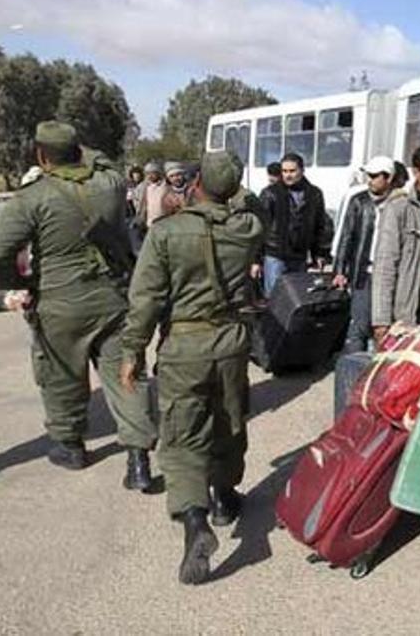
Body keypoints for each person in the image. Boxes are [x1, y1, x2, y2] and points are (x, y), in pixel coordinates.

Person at [0, 121, 158, 485]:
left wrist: (21, 283)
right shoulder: (110, 183)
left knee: (61, 375)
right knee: (126, 373)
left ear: (41, 155)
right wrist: (78, 150)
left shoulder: (33, 197)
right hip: (112, 296)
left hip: (59, 302)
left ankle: (71, 446)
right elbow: (104, 160)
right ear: (79, 151)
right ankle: (138, 458)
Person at [119, 150, 263, 585]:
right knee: (229, 419)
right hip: (232, 342)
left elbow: (144, 300)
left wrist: (132, 352)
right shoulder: (248, 227)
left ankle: (195, 521)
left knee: (182, 437)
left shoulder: (166, 234)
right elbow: (247, 205)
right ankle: (224, 497)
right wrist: (223, 194)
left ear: (195, 182)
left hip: (184, 345)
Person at [371, 145, 420, 345]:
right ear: (416, 172)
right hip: (407, 304)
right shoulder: (399, 208)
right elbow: (385, 266)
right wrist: (381, 321)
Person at [332, 156, 395, 353]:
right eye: (369, 175)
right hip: (363, 273)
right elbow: (346, 237)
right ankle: (353, 369)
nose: (370, 180)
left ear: (388, 178)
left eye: (375, 176)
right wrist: (340, 270)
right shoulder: (359, 202)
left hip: (388, 274)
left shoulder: (399, 204)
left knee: (383, 326)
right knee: (359, 324)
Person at [258, 152, 331, 295]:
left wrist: (320, 254)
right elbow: (259, 227)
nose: (288, 175)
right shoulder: (270, 193)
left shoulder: (314, 194)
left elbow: (320, 226)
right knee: (275, 298)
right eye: (284, 171)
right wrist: (256, 260)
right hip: (275, 254)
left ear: (302, 171)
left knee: (296, 297)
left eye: (292, 171)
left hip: (299, 255)